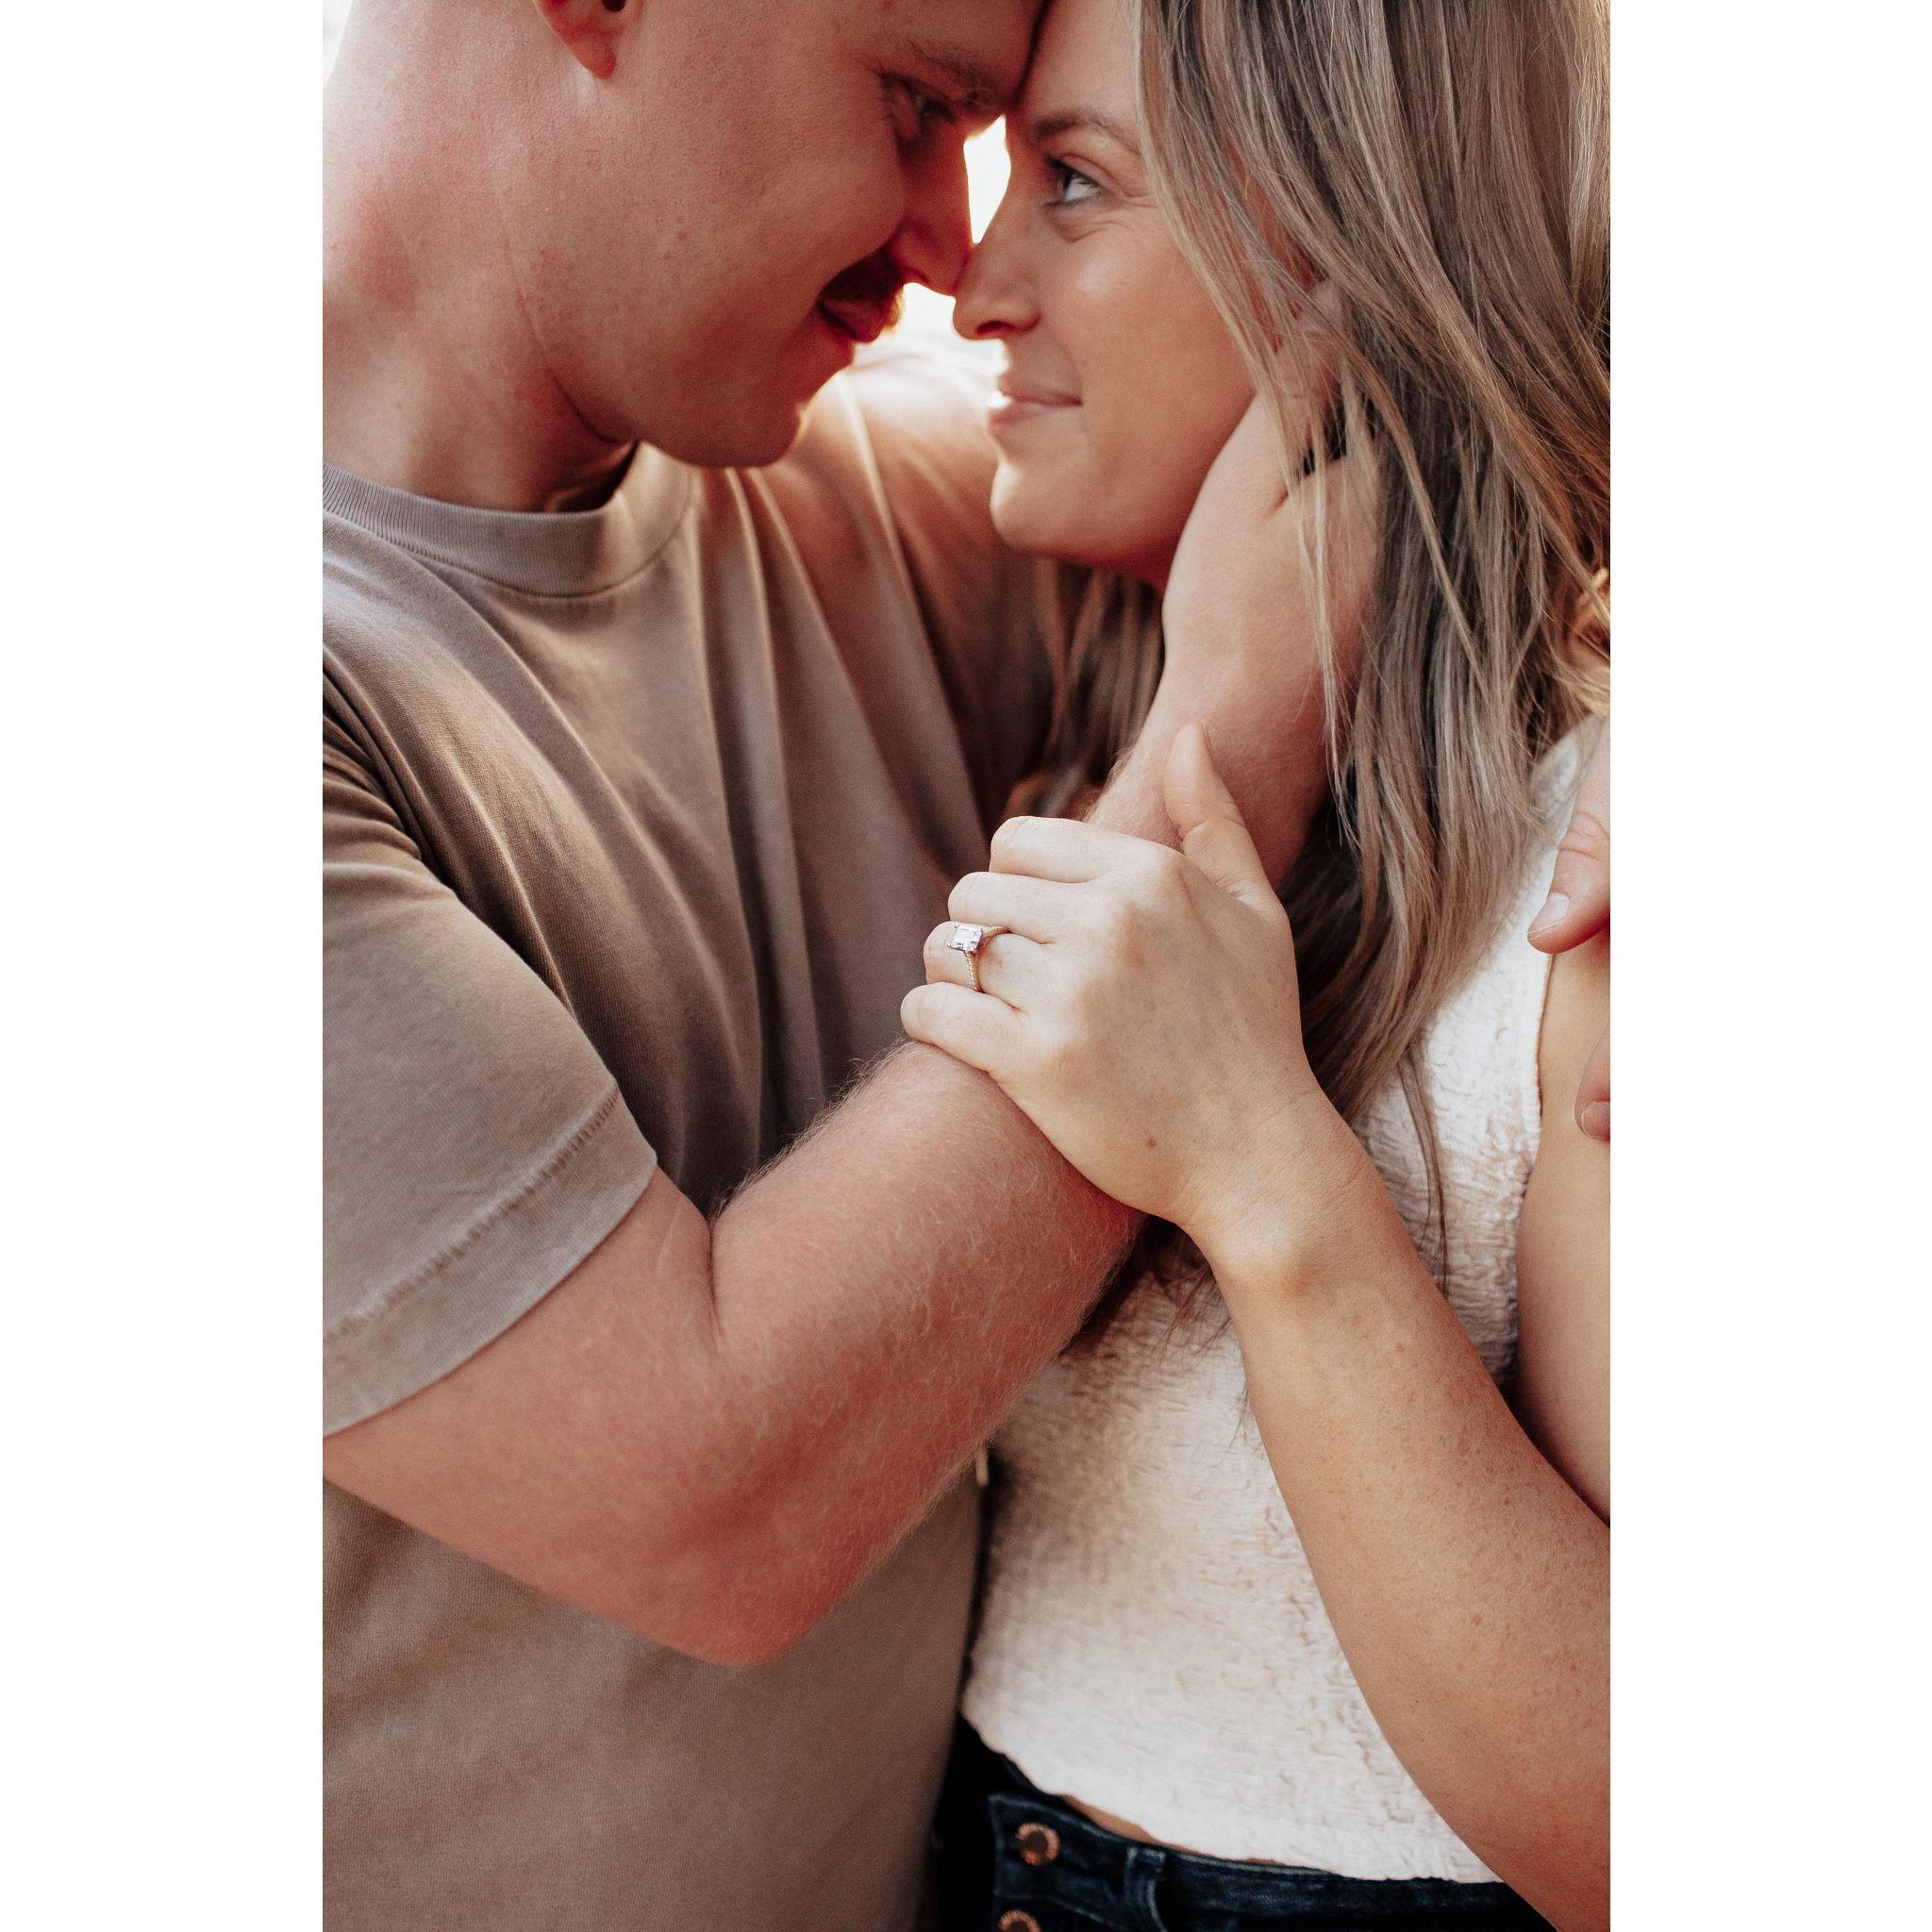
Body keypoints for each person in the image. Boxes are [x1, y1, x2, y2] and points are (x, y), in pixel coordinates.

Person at [319, 1, 1401, 1925]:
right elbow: (710, 1510)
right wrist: (1232, 742)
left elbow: (1474, 434)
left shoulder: (872, 513)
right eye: (914, 105)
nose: (945, 246)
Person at [903, 0, 1609, 1926]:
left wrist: (1256, 1162)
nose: (974, 288)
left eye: (1073, 184)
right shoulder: (1064, 714)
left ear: (1353, 261)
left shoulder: (1589, 892)